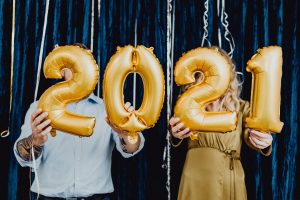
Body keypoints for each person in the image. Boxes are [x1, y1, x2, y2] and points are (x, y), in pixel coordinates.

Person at [14, 44, 145, 200]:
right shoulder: (39, 107)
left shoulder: (108, 108)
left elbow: (132, 149)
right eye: (77, 61)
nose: (84, 67)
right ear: (62, 69)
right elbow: (23, 157)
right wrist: (35, 141)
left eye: (89, 61)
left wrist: (126, 133)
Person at [169, 47, 273, 200]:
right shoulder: (188, 106)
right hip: (194, 178)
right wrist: (175, 135)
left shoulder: (242, 108)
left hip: (229, 178)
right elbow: (176, 136)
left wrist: (263, 140)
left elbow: (251, 133)